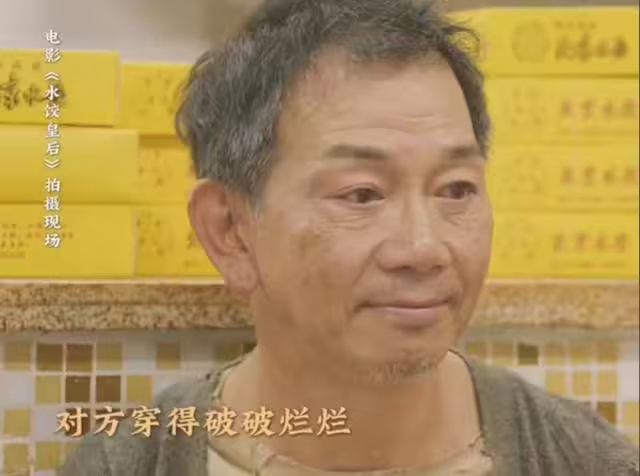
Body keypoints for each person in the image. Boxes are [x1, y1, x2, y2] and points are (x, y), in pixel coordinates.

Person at [61, 0, 639, 474]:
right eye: (362, 194)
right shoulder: (131, 463)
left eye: (456, 189)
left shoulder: (582, 460)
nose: (423, 248)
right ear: (231, 232)